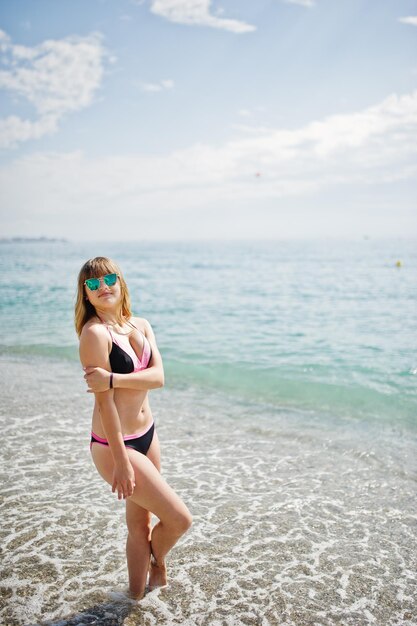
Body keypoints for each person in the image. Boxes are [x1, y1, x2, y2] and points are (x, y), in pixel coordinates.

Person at [75, 256, 192, 599]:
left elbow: (159, 377)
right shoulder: (94, 334)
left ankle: (134, 599)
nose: (103, 287)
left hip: (147, 433)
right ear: (86, 295)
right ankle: (156, 562)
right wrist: (122, 461)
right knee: (179, 519)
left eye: (109, 279)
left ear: (120, 281)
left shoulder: (140, 324)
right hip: (115, 444)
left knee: (140, 524)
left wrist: (111, 378)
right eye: (93, 284)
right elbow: (104, 402)